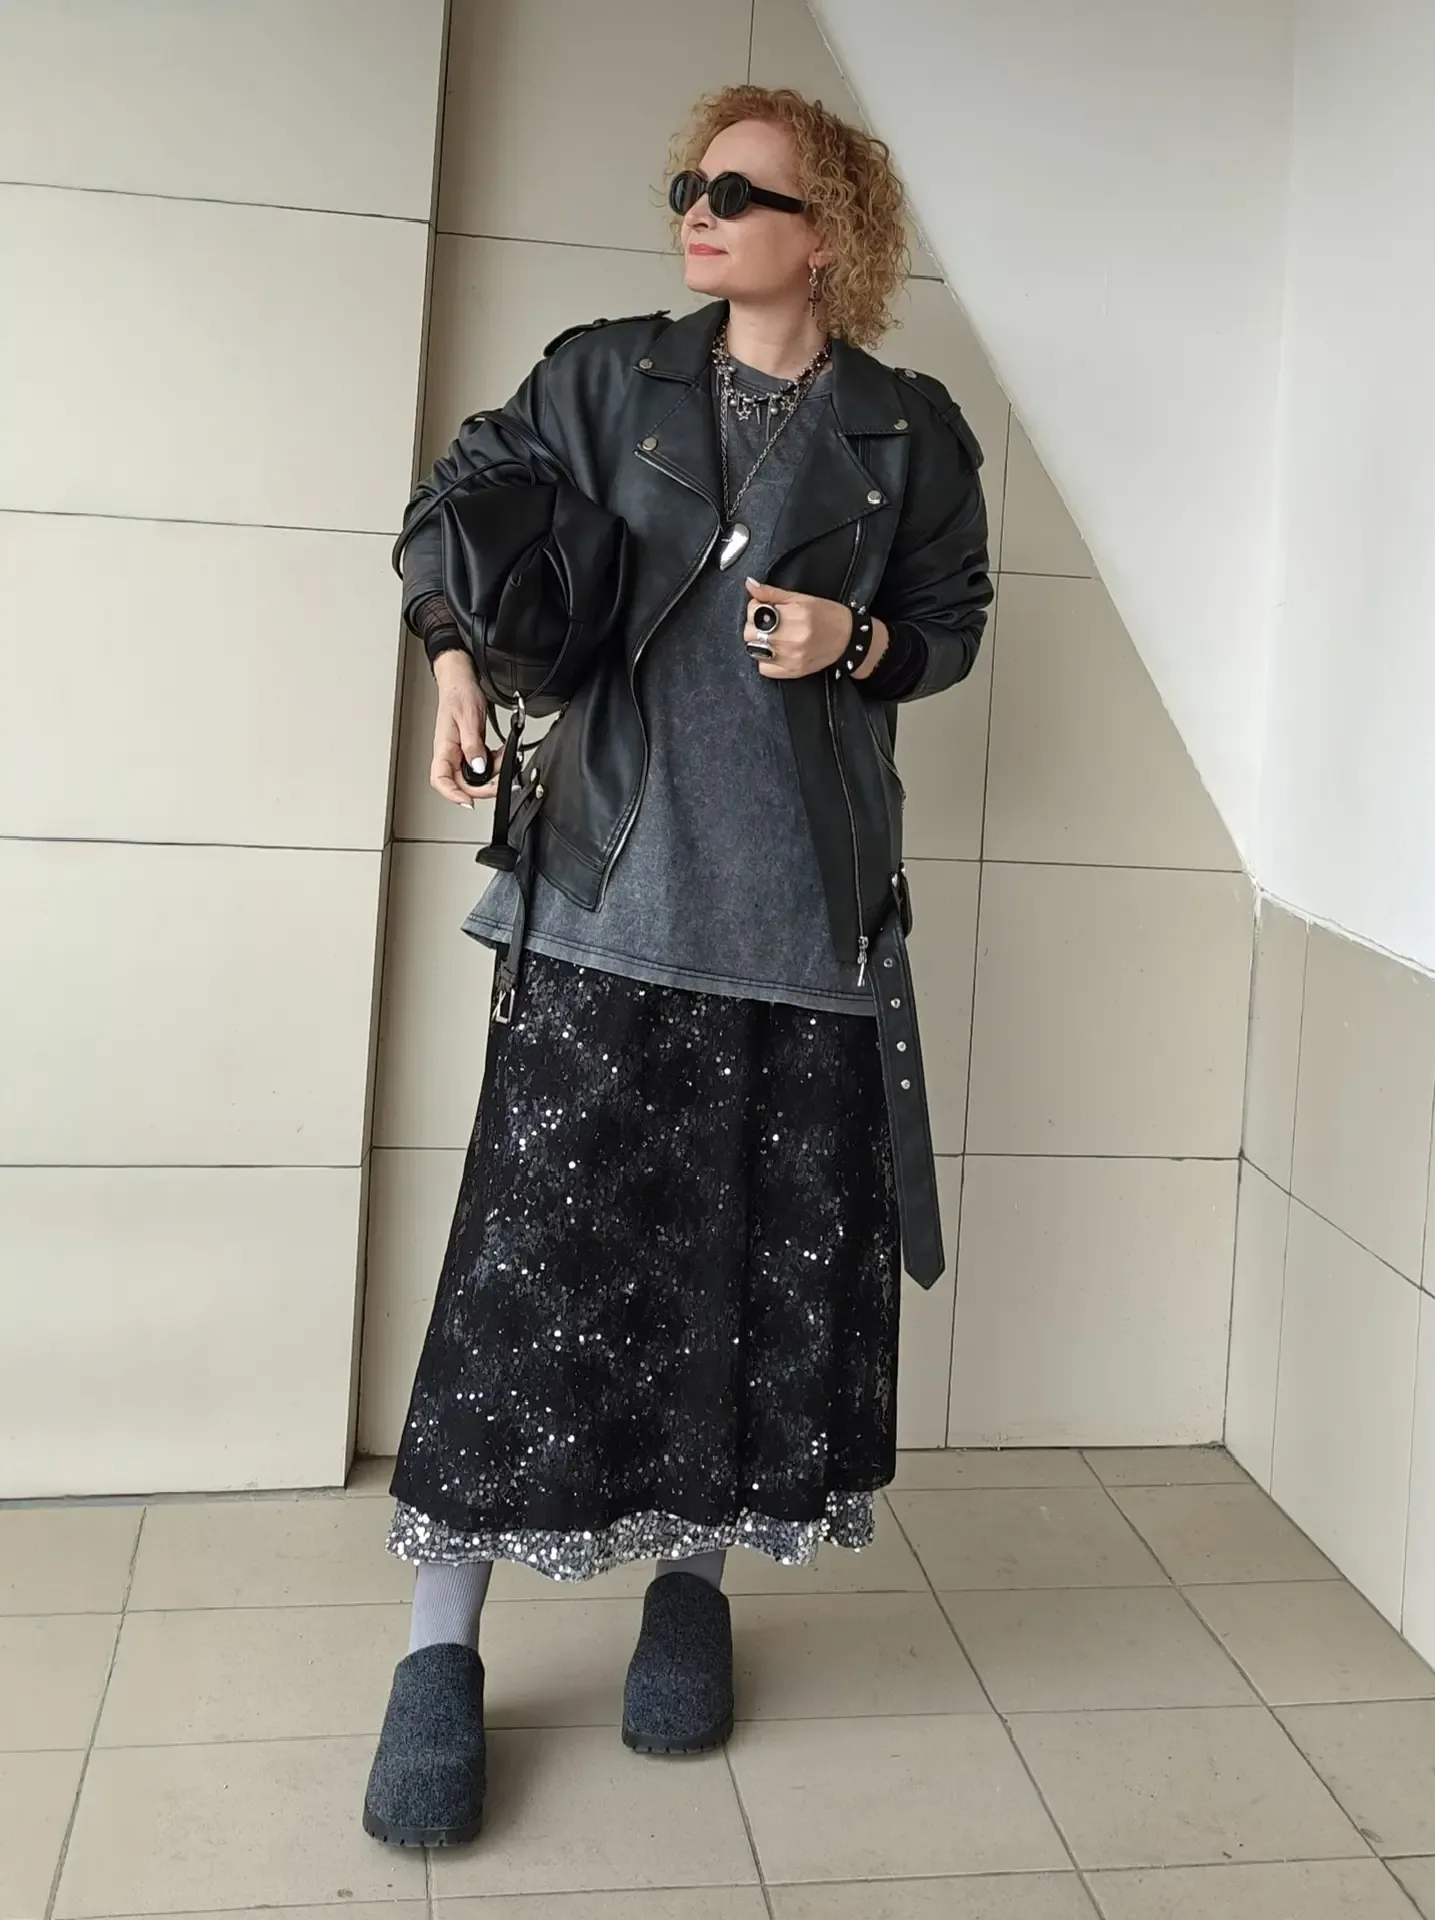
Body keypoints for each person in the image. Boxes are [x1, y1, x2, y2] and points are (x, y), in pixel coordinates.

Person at [362, 82, 993, 1849]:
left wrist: (854, 637)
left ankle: (689, 1596)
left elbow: (950, 625)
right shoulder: (606, 377)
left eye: (738, 190)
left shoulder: (908, 431)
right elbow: (450, 506)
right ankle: (438, 1651)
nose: (696, 211)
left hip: (801, 930)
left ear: (829, 233)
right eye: (687, 185)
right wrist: (455, 663)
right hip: (601, 900)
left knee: (732, 1280)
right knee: (522, 1287)